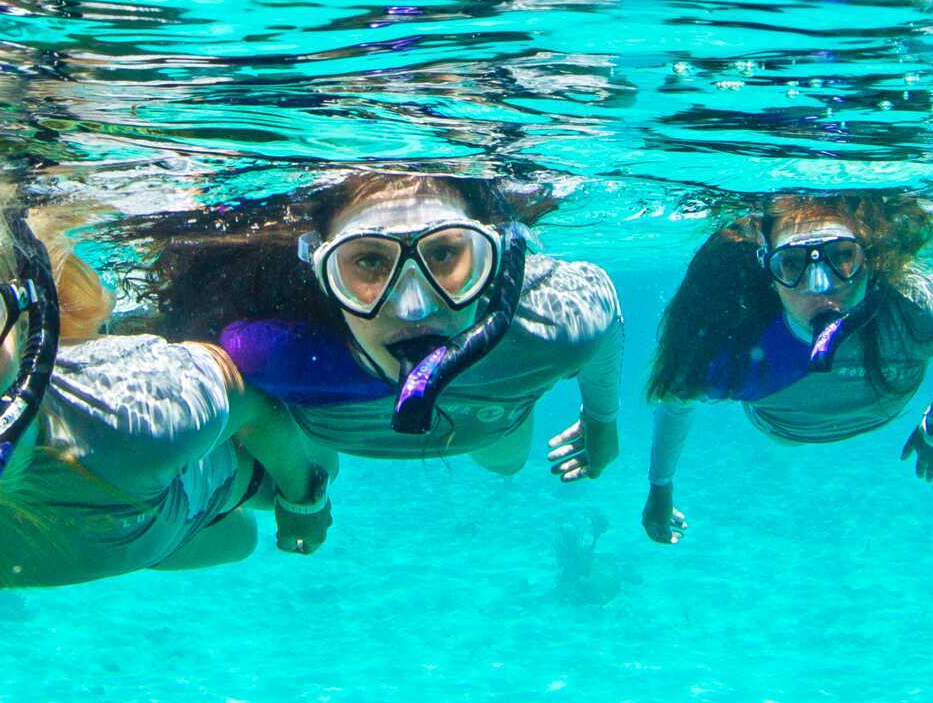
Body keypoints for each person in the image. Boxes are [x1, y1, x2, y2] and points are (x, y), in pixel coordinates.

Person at [0, 166, 331, 585]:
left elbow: (257, 406)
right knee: (235, 545)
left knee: (307, 473)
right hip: (140, 536)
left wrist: (303, 501)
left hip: (183, 498)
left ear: (29, 321)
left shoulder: (137, 419)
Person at [145, 170, 622, 499]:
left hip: (491, 432)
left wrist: (602, 421)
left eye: (444, 255)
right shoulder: (271, 355)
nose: (414, 307)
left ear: (490, 258)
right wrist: (300, 498)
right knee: (317, 472)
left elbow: (606, 314)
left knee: (506, 464)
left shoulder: (551, 329)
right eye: (369, 261)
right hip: (335, 431)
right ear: (323, 274)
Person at [641, 190, 933, 544]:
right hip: (782, 428)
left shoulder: (918, 309)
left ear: (870, 258)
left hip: (793, 422)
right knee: (783, 453)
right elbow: (677, 400)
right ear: (768, 273)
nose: (821, 286)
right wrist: (660, 488)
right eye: (792, 264)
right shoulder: (741, 344)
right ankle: (781, 463)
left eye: (842, 257)